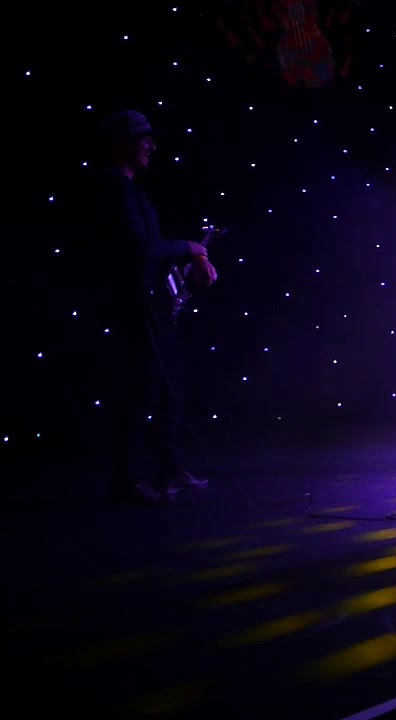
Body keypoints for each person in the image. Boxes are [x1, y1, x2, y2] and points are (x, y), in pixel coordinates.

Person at [90, 109, 217, 505]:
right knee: (141, 391)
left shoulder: (133, 191)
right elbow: (139, 250)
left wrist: (190, 266)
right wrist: (190, 248)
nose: (152, 145)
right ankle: (126, 482)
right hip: (137, 307)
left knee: (169, 384)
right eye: (144, 138)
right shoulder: (114, 187)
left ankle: (169, 468)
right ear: (123, 143)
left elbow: (148, 253)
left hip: (152, 304)